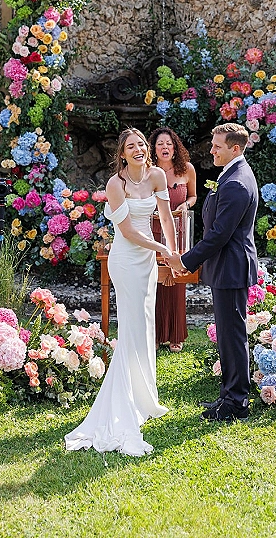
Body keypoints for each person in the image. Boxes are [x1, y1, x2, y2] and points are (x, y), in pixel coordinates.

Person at [65, 127, 177, 456]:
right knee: (130, 328)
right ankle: (124, 402)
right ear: (123, 154)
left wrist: (174, 252)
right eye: (132, 146)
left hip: (149, 261)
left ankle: (145, 399)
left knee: (145, 326)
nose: (139, 149)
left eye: (142, 144)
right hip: (127, 261)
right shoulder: (117, 184)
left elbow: (167, 217)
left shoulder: (157, 176)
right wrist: (162, 249)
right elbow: (127, 231)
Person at [165, 123, 258, 422]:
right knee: (228, 335)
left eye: (217, 146)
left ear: (235, 148)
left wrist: (185, 260)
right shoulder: (230, 175)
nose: (211, 150)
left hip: (231, 267)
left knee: (232, 336)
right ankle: (228, 395)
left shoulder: (236, 182)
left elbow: (219, 234)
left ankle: (237, 403)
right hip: (226, 267)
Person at [149, 128, 197, 353]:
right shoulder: (147, 172)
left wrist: (185, 205)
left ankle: (176, 335)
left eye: (169, 143)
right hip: (153, 233)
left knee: (176, 282)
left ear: (175, 147)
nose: (165, 147)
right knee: (155, 283)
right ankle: (156, 335)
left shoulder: (187, 169)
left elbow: (193, 196)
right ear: (153, 148)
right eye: (160, 144)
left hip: (178, 232)